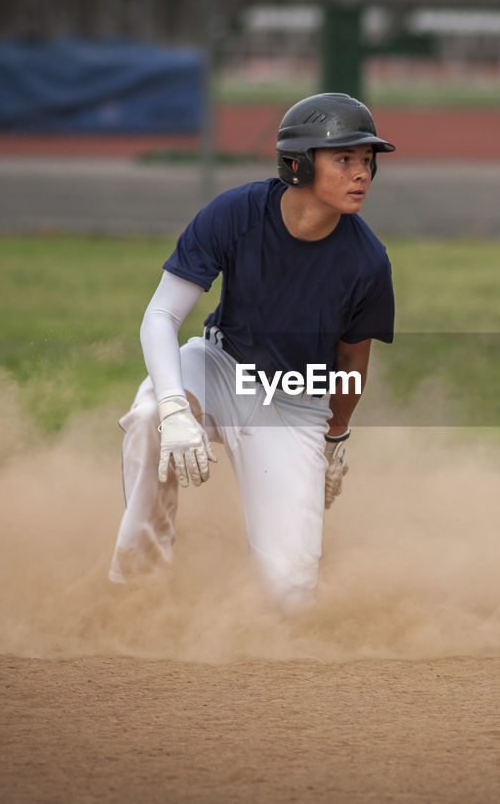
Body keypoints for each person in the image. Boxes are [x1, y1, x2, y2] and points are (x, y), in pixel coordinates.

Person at [107, 93, 396, 614]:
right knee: (151, 417)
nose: (363, 174)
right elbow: (161, 317)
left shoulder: (367, 261)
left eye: (367, 160)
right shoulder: (237, 213)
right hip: (221, 367)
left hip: (293, 404)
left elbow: (353, 364)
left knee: (290, 601)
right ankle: (140, 592)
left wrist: (335, 438)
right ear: (299, 164)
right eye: (345, 159)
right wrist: (175, 406)